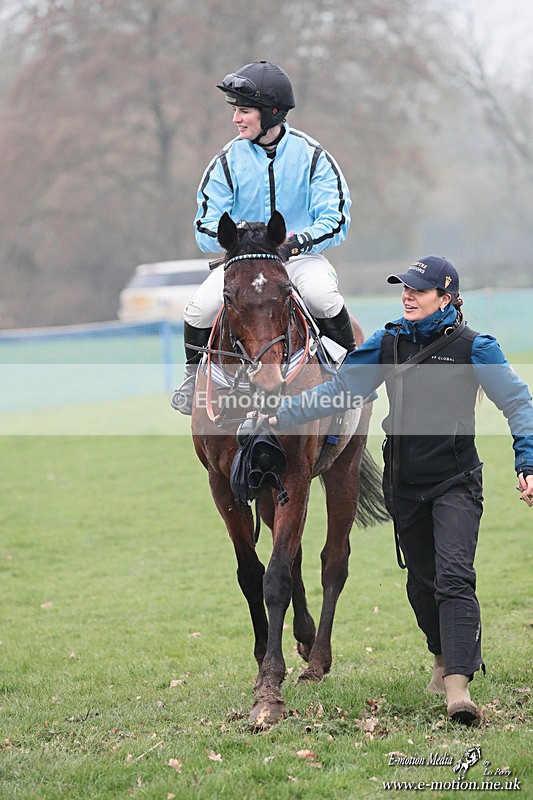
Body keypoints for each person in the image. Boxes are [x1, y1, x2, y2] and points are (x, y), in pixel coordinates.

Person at [265, 256, 533, 726]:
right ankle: (441, 653)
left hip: (456, 481)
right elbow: (340, 391)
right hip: (404, 485)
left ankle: (458, 688)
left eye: (419, 290)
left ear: (445, 299)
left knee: (454, 577)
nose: (407, 295)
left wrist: (528, 461)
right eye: (403, 288)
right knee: (422, 584)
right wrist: (276, 416)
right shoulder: (388, 342)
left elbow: (517, 402)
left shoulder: (476, 347)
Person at [171, 60, 353, 414]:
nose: (236, 118)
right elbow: (205, 224)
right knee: (199, 309)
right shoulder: (226, 161)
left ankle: (353, 375)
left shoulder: (313, 157)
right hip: (242, 261)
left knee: (322, 297)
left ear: (271, 113)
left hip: (299, 258)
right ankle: (193, 380)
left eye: (244, 111)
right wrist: (239, 241)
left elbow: (336, 217)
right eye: (236, 111)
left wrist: (297, 242)